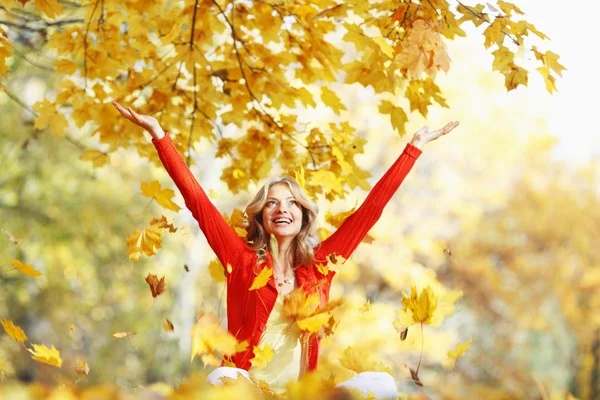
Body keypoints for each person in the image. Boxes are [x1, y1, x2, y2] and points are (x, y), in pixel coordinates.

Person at [113, 101, 458, 398]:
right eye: (273, 203)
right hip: (248, 391)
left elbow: (370, 212)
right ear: (261, 215)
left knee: (382, 384)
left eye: (292, 203)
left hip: (300, 395)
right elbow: (197, 200)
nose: (282, 209)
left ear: (303, 214)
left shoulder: (322, 265)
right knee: (221, 377)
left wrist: (413, 148)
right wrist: (159, 135)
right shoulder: (241, 260)